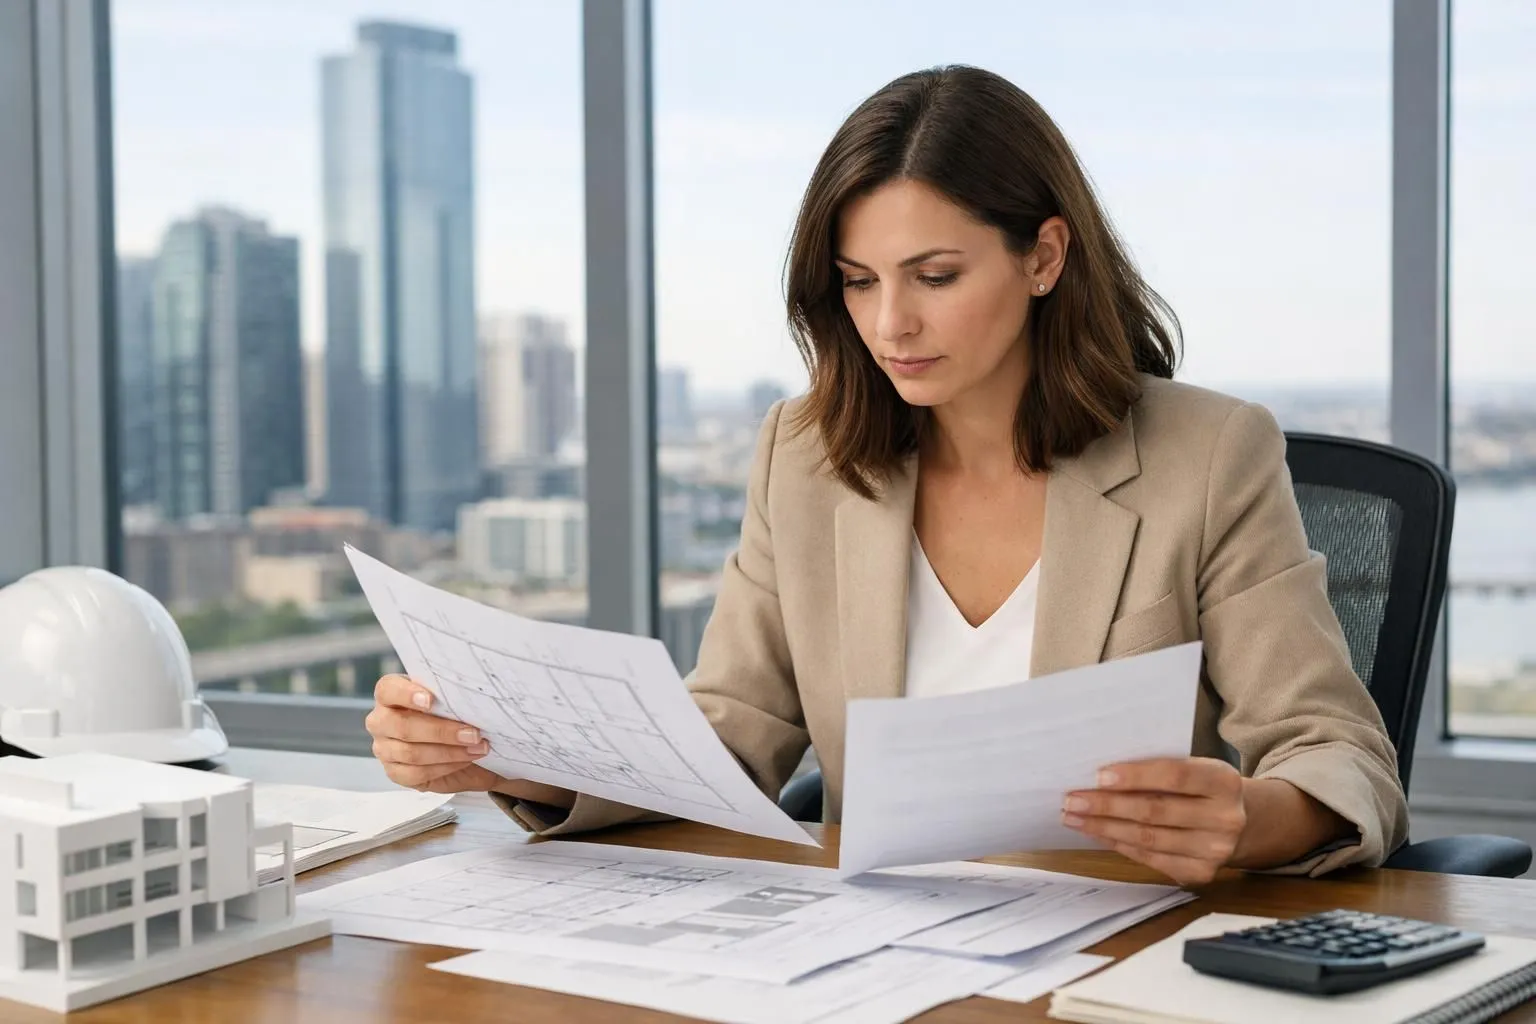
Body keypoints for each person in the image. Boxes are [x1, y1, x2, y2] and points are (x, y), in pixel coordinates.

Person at [365, 65, 1408, 885]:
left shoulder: (1209, 455)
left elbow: (1337, 750)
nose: (889, 324)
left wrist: (1246, 818)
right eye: (859, 283)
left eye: (935, 276)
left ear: (1044, 258)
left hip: (1119, 954)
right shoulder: (804, 457)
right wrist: (507, 758)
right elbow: (728, 739)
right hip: (872, 956)